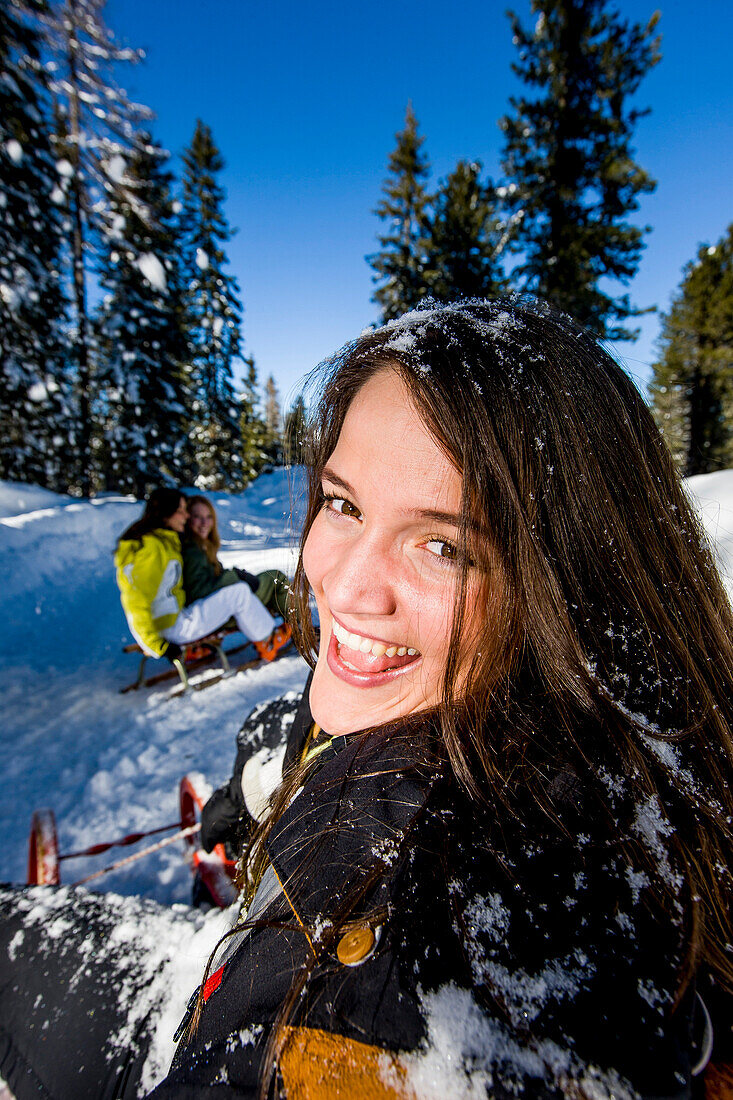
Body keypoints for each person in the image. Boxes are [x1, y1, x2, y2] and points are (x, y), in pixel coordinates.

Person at [2, 299, 733, 1100]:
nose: (342, 586)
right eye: (342, 504)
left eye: (442, 546)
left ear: (570, 581)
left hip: (191, 1018)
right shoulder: (598, 718)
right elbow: (320, 728)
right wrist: (255, 783)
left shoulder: (424, 916)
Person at [114, 488, 291, 666]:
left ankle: (266, 634)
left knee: (238, 592)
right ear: (165, 513)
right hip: (171, 627)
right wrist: (157, 645)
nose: (185, 516)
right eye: (181, 511)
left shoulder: (163, 542)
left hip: (174, 620)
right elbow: (135, 599)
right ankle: (267, 638)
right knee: (240, 593)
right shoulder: (152, 548)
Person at [183, 494, 292, 623]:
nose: (204, 523)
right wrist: (234, 577)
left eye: (208, 517)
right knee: (277, 578)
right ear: (187, 518)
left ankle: (280, 627)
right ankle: (299, 629)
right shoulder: (193, 551)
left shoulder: (202, 546)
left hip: (224, 605)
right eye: (197, 517)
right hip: (221, 611)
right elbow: (197, 592)